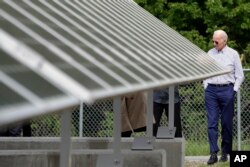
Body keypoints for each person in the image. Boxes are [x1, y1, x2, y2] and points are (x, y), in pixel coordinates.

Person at [203, 30, 244, 165]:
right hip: (211, 91)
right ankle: (213, 153)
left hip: (227, 90)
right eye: (213, 41)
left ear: (224, 41)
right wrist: (206, 86)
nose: (214, 44)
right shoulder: (210, 53)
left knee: (226, 124)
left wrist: (233, 90)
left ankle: (225, 153)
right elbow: (205, 72)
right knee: (212, 123)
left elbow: (240, 75)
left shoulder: (233, 54)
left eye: (217, 41)